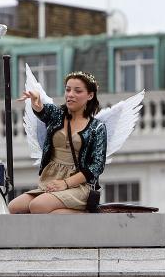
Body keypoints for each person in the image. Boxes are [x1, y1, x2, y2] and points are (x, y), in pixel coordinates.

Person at [8, 71, 107, 214]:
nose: (70, 94)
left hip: (79, 185)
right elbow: (43, 111)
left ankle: (84, 215)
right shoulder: (58, 115)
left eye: (77, 91)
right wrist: (36, 103)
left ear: (90, 95)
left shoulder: (97, 127)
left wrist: (65, 183)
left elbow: (96, 167)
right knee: (14, 208)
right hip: (52, 180)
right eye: (68, 90)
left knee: (38, 206)